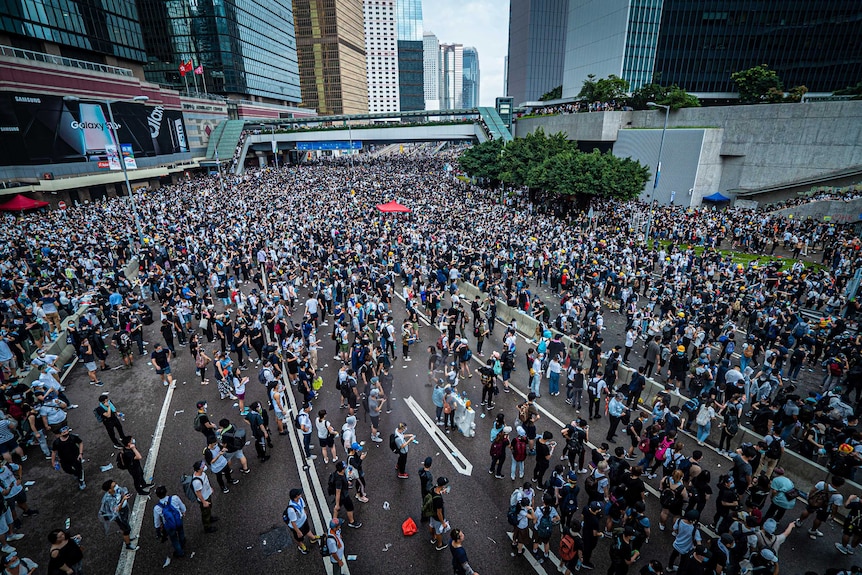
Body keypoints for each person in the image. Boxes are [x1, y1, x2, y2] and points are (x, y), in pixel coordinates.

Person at [98, 480, 138, 551]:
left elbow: (122, 491)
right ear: (109, 489)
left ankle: (127, 537)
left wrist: (125, 495)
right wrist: (123, 500)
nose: (116, 486)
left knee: (125, 525)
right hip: (119, 515)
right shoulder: (108, 499)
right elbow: (116, 510)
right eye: (114, 486)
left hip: (123, 511)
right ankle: (128, 544)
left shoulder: (116, 490)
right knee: (126, 529)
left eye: (116, 484)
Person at [153, 485, 186, 562]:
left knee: (174, 539)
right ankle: (183, 542)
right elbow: (183, 507)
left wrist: (158, 530)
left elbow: (157, 522)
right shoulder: (175, 498)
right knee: (181, 532)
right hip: (178, 520)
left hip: (169, 526)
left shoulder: (157, 508)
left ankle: (180, 552)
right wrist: (183, 511)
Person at [284, 488, 319, 555]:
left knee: (307, 529)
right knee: (299, 538)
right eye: (299, 494)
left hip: (303, 521)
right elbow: (293, 523)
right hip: (298, 526)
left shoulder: (300, 499)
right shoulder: (291, 510)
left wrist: (305, 512)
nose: (301, 495)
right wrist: (298, 532)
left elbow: (303, 506)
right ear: (295, 497)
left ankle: (312, 538)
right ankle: (301, 546)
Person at [51, 426, 85, 490]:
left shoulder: (73, 437)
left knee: (79, 469)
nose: (66, 433)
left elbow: (80, 443)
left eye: (67, 431)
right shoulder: (57, 442)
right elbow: (54, 452)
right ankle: (76, 474)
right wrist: (53, 462)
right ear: (60, 434)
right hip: (64, 459)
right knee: (67, 469)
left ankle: (81, 481)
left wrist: (80, 454)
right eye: (64, 432)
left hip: (75, 457)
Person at [331, 462, 362, 528]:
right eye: (344, 467)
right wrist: (337, 504)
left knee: (336, 508)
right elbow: (338, 492)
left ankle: (334, 522)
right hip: (344, 496)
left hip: (342, 495)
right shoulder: (339, 480)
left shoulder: (338, 473)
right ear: (342, 469)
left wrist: (347, 482)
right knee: (349, 508)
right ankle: (352, 522)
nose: (346, 468)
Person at [191, 460, 217, 533]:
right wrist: (204, 502)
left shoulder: (202, 474)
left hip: (207, 494)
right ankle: (207, 527)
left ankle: (210, 518)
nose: (204, 467)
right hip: (204, 498)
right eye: (202, 466)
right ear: (199, 469)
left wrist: (210, 488)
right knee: (205, 513)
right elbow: (198, 493)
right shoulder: (196, 482)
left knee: (209, 508)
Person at [428, 476, 451, 551]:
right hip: (437, 518)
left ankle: (433, 537)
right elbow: (439, 513)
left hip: (431, 513)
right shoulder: (439, 500)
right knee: (439, 531)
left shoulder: (433, 488)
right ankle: (439, 544)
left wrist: (441, 491)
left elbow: (436, 492)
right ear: (442, 485)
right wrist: (443, 522)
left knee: (431, 525)